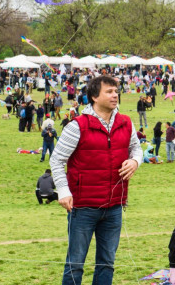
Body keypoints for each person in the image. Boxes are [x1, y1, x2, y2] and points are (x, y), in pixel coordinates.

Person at [50, 74, 142, 285]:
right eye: (109, 91)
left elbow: (136, 148)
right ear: (94, 96)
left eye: (116, 91)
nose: (115, 95)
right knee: (75, 264)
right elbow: (56, 160)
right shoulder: (77, 126)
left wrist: (136, 161)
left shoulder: (126, 122)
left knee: (107, 262)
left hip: (114, 207)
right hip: (83, 207)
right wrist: (63, 191)